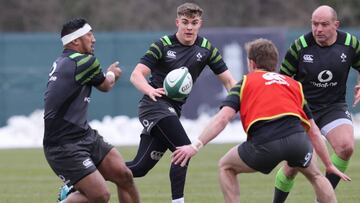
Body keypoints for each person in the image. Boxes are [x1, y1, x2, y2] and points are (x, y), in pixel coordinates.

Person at [171, 38, 351, 203]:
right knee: (317, 176)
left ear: (251, 63)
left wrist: (195, 146)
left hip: (266, 143)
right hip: (297, 140)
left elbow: (223, 118)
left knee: (226, 166)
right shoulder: (293, 84)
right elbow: (313, 130)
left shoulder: (245, 82)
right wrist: (328, 164)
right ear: (275, 63)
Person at [125, 2, 236, 203]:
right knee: (183, 149)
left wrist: (239, 102)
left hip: (170, 111)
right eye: (185, 22)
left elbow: (229, 80)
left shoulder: (206, 48)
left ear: (200, 24)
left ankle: (83, 176)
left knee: (139, 168)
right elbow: (136, 74)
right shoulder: (163, 44)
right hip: (154, 105)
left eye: (194, 23)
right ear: (177, 22)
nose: (189, 27)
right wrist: (149, 89)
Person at [43, 18, 139, 203]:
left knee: (124, 175)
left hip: (83, 135)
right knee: (100, 196)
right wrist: (112, 73)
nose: (93, 39)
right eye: (89, 34)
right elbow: (105, 85)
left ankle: (71, 192)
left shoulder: (65, 61)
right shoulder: (84, 62)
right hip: (63, 145)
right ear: (75, 41)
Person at [273, 5, 360, 202]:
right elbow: (282, 80)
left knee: (346, 147)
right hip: (303, 110)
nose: (318, 29)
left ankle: (324, 197)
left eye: (324, 24)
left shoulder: (349, 43)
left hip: (333, 107)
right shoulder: (300, 46)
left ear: (336, 25)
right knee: (293, 166)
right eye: (314, 24)